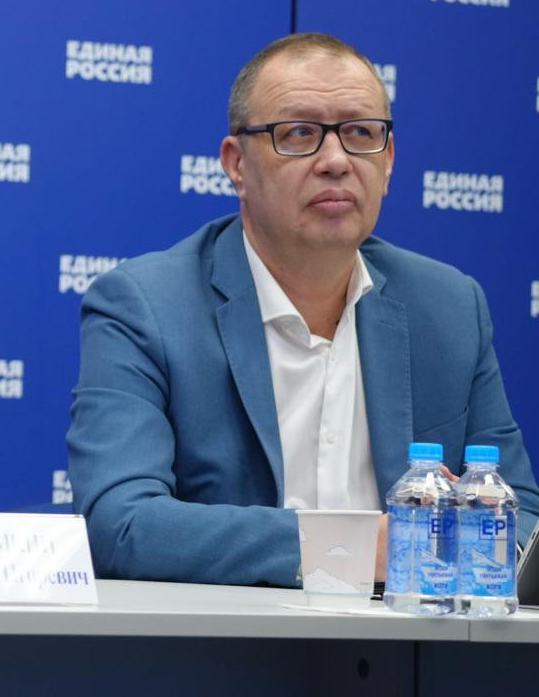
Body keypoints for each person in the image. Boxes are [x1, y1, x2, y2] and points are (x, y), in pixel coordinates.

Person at [67, 32, 539, 587]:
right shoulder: (145, 306)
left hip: (409, 637)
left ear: (388, 161)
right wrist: (355, 547)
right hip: (225, 635)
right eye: (298, 134)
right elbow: (120, 525)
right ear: (236, 164)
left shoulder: (450, 306)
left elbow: (522, 522)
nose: (336, 161)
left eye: (360, 133)